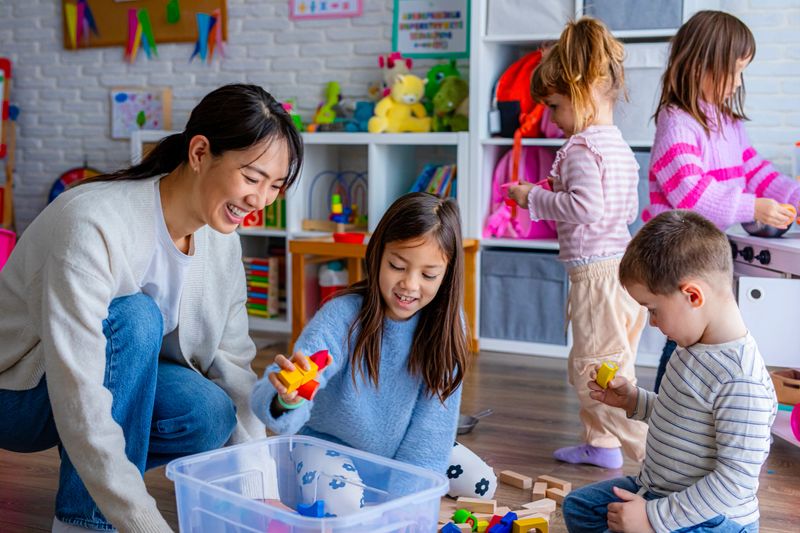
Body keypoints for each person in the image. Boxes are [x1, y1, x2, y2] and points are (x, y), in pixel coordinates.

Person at [0, 84, 303, 532]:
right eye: (252, 177)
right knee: (138, 317)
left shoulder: (222, 243)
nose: (261, 200)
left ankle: (99, 485)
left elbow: (235, 369)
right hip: (21, 396)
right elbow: (80, 392)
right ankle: (86, 521)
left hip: (102, 391)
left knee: (208, 412)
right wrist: (144, 524)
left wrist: (260, 501)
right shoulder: (92, 223)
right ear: (200, 152)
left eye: (275, 185)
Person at [251, 192, 497, 512]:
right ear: (378, 255)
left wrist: (406, 507)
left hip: (398, 451)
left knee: (482, 484)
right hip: (328, 445)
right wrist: (286, 398)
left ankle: (376, 492)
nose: (409, 284)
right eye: (397, 266)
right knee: (344, 503)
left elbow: (431, 432)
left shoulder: (448, 329)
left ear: (447, 276)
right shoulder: (342, 316)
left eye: (428, 275)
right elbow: (289, 382)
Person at [563, 210, 775, 533]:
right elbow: (681, 415)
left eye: (653, 310)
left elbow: (734, 482)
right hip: (659, 491)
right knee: (578, 508)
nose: (652, 322)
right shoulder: (691, 345)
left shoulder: (741, 380)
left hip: (713, 519)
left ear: (692, 295)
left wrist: (654, 518)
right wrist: (634, 400)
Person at [507, 17, 647, 469]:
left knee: (597, 373)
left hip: (598, 278)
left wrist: (535, 198)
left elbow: (585, 209)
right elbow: (620, 210)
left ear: (581, 90)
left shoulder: (584, 148)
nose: (551, 117)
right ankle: (601, 445)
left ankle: (655, 457)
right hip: (622, 272)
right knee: (606, 364)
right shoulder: (617, 146)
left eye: (553, 105)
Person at [642, 10, 800, 392]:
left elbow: (757, 170)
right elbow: (691, 194)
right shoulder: (676, 122)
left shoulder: (728, 123)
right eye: (736, 70)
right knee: (684, 341)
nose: (739, 82)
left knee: (702, 340)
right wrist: (754, 207)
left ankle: (691, 411)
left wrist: (794, 197)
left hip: (703, 254)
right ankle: (667, 410)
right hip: (675, 253)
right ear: (701, 66)